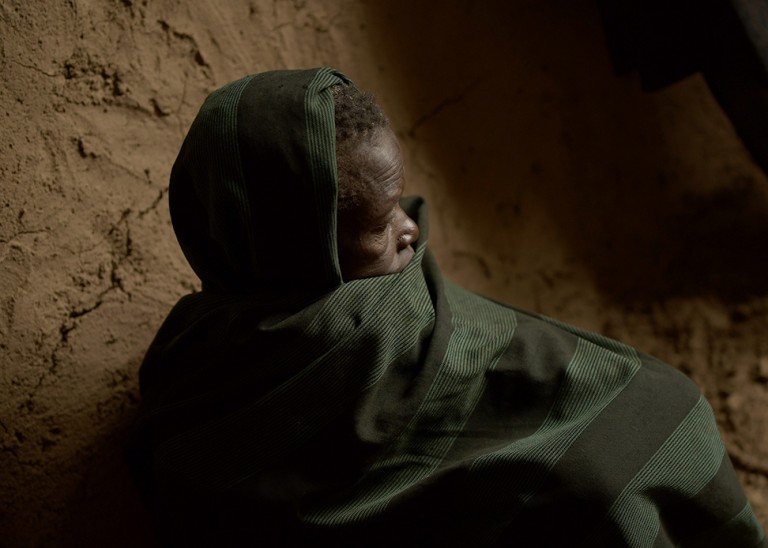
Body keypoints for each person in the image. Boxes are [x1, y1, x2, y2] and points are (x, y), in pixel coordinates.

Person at [127, 68, 767, 547]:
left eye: (401, 201)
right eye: (376, 223)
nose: (410, 229)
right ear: (291, 248)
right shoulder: (208, 408)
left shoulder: (190, 390)